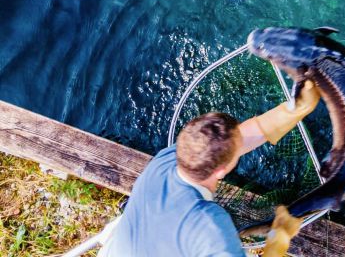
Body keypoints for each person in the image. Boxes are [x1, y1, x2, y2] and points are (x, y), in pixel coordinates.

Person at [98, 81, 321, 257]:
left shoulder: (167, 159)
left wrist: (296, 109)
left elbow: (242, 138)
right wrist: (278, 239)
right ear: (221, 171)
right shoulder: (210, 224)